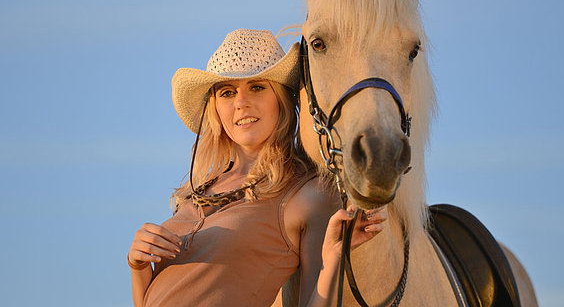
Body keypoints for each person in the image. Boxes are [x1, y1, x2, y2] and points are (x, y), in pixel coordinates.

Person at [127, 29, 387, 307]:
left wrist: (334, 254)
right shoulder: (196, 191)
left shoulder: (307, 193)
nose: (241, 103)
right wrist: (138, 266)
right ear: (215, 108)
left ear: (281, 99)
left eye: (257, 87)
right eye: (227, 92)